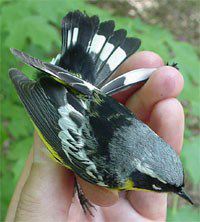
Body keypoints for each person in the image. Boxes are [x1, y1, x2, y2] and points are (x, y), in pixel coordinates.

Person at [6, 51, 184, 222]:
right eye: (160, 186)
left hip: (79, 87)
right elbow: (61, 133)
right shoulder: (111, 175)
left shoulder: (136, 126)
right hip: (56, 110)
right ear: (146, 175)